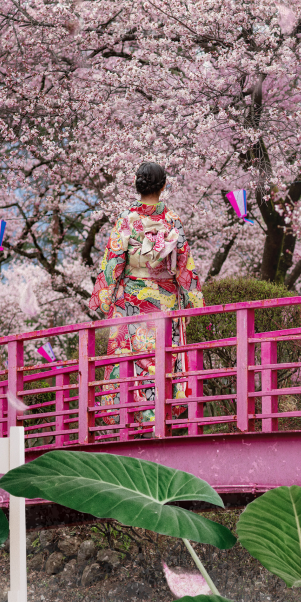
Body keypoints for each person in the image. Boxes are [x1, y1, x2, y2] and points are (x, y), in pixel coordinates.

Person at [88, 161, 204, 434]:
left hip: (132, 300)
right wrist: (193, 301)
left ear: (137, 184)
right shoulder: (172, 220)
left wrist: (104, 297)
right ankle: (162, 416)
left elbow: (113, 261)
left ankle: (134, 418)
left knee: (132, 357)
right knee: (163, 356)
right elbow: (184, 265)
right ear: (163, 186)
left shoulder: (126, 219)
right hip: (166, 300)